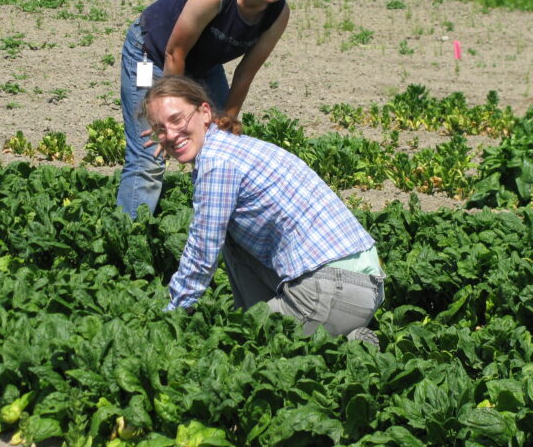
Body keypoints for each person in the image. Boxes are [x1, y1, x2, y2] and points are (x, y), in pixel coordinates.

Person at [143, 76, 386, 346]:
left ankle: (341, 347)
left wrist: (171, 318)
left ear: (205, 113)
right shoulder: (232, 147)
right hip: (358, 288)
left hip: (331, 290)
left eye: (177, 120)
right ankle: (343, 339)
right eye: (160, 129)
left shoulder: (217, 161)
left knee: (239, 344)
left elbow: (202, 250)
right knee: (232, 242)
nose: (170, 134)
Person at [117, 0, 308, 219]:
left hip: (203, 64)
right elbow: (174, 53)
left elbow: (245, 73)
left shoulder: (277, 14)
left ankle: (205, 225)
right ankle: (128, 239)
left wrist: (227, 121)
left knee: (220, 147)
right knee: (150, 153)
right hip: (152, 56)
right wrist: (174, 117)